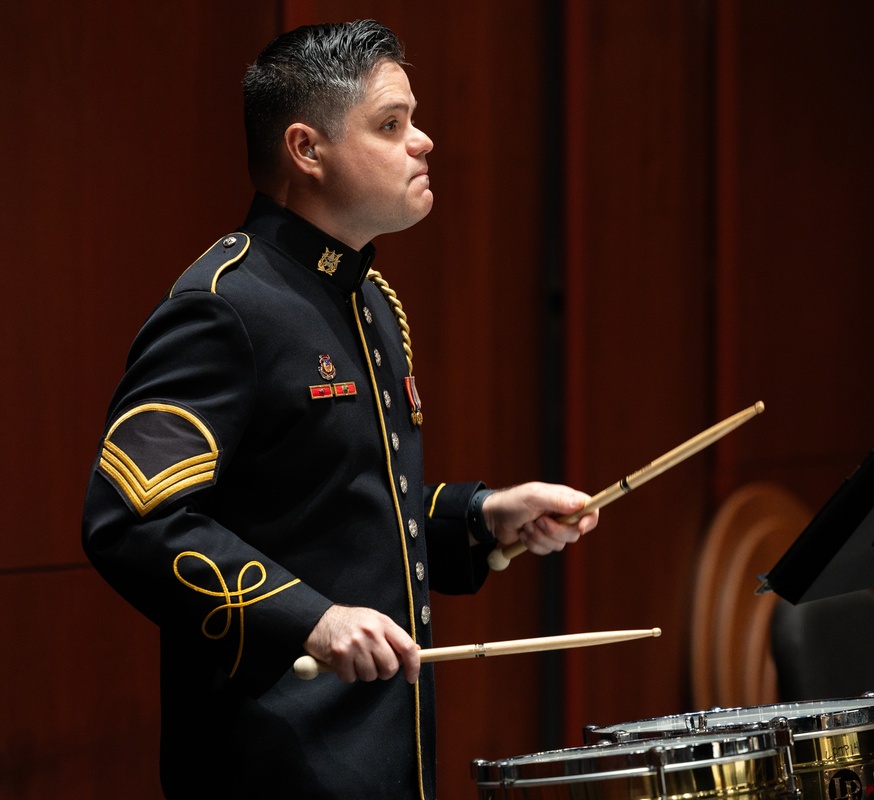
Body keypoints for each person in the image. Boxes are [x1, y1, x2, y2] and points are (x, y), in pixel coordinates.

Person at [81, 19, 598, 800]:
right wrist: (309, 620)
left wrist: (482, 516)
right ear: (306, 149)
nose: (422, 142)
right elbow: (131, 520)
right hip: (273, 760)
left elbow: (333, 505)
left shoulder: (371, 302)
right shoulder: (225, 308)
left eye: (414, 121)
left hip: (386, 751)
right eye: (391, 125)